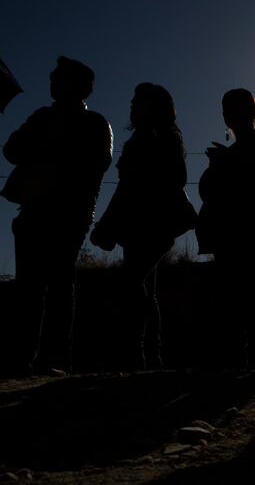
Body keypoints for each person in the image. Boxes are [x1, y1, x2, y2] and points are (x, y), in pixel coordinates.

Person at [0, 56, 113, 376]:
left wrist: (54, 147)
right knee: (28, 287)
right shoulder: (41, 118)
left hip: (69, 213)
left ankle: (53, 359)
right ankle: (22, 359)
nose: (52, 83)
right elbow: (11, 150)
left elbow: (96, 165)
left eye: (58, 78)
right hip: (35, 209)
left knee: (59, 283)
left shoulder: (95, 124)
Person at [90, 83, 196, 371]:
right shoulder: (144, 137)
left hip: (153, 223)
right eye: (134, 100)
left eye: (139, 100)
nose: (133, 105)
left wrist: (108, 224)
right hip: (141, 224)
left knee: (132, 283)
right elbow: (127, 187)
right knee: (143, 287)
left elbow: (173, 178)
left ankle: (136, 354)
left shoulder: (159, 137)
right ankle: (148, 357)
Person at [196, 88, 255, 369]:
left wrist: (227, 164)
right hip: (228, 234)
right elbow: (210, 192)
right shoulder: (231, 152)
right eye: (227, 110)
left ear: (252, 111)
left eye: (237, 108)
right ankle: (235, 361)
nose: (230, 115)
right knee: (231, 298)